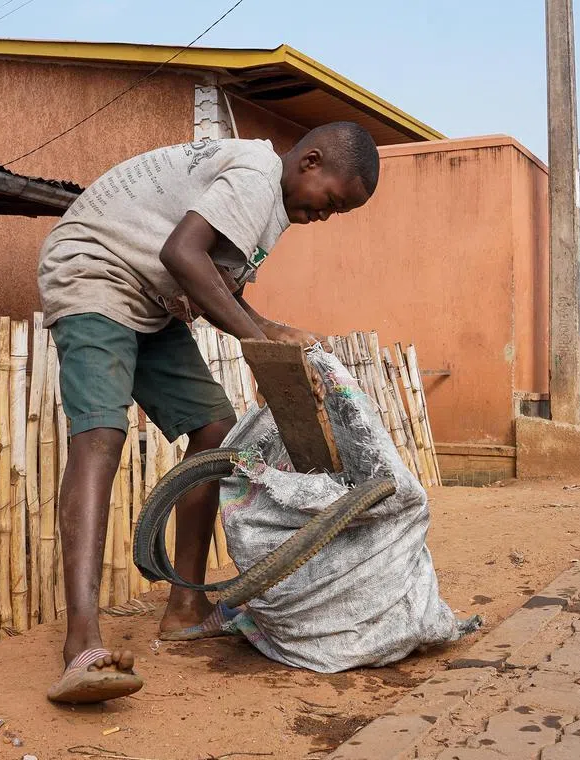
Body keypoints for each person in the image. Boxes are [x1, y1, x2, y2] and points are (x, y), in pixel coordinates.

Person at [37, 121, 381, 703]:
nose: (327, 216)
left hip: (150, 299)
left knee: (215, 430)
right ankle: (82, 646)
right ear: (311, 162)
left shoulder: (268, 199)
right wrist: (261, 345)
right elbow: (182, 254)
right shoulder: (256, 174)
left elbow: (212, 282)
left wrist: (271, 328)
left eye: (340, 213)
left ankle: (184, 606)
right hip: (95, 271)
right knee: (100, 434)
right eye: (333, 202)